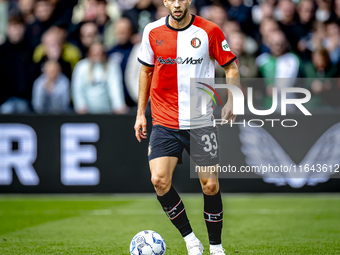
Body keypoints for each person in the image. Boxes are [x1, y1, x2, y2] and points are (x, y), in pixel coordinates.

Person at [134, 0, 239, 254]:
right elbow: (146, 72)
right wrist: (140, 113)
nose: (177, 4)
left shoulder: (209, 31)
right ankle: (191, 241)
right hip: (164, 120)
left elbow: (231, 68)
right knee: (159, 180)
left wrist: (233, 100)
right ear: (164, 2)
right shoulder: (152, 31)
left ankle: (216, 247)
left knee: (210, 185)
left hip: (200, 120)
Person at [72, 42, 127, 114]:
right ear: (89, 53)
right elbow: (77, 88)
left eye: (100, 52)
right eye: (94, 52)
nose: (97, 54)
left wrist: (119, 105)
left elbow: (115, 87)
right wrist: (80, 105)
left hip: (107, 111)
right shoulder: (81, 66)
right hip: (86, 112)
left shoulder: (112, 66)